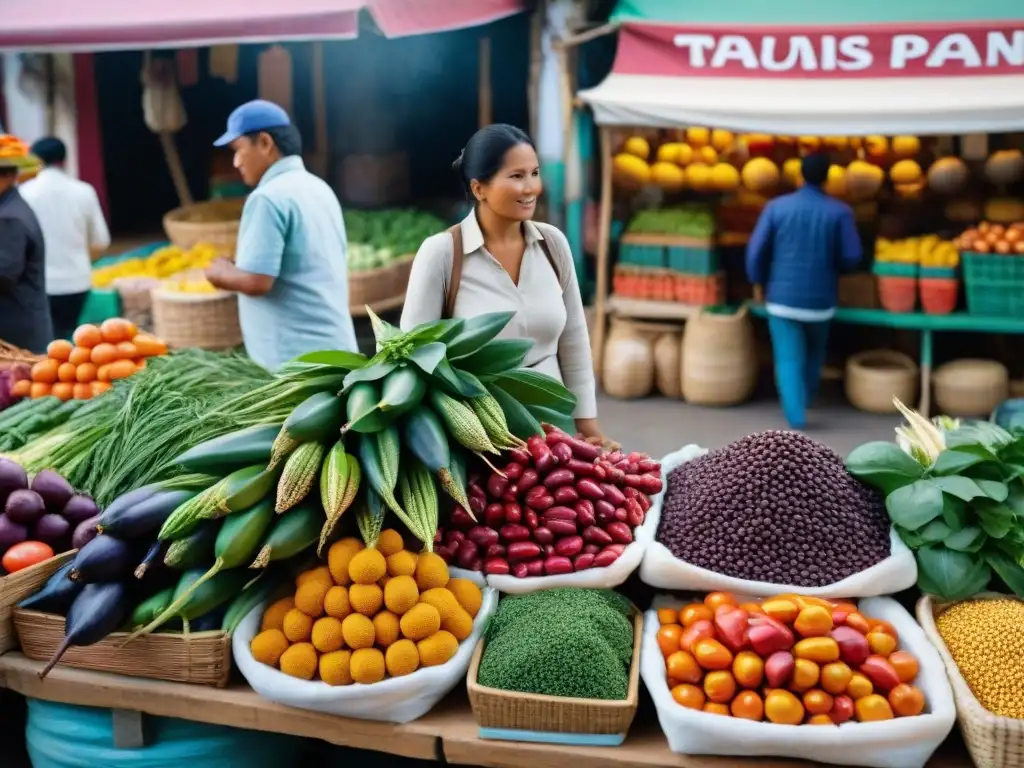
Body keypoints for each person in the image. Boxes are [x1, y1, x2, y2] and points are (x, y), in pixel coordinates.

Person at [401, 124, 607, 445]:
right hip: (479, 438)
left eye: (534, 173)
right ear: (479, 188)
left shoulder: (553, 245)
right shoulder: (442, 253)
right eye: (516, 176)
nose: (531, 188)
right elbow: (415, 357)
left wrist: (588, 428)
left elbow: (574, 342)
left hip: (557, 432)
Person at [205, 100, 357, 370]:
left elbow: (257, 281)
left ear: (265, 143)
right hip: (337, 350)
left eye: (238, 150)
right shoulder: (318, 187)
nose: (236, 162)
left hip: (297, 363)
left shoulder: (267, 197)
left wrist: (219, 272)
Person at [746, 152, 863, 429]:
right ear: (828, 178)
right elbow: (852, 256)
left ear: (800, 175)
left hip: (782, 299)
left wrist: (758, 281)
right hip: (821, 300)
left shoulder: (776, 207)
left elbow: (756, 251)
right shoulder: (840, 212)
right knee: (814, 354)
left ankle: (796, 416)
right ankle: (806, 399)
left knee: (788, 356)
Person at [20, 137, 110, 341]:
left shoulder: (24, 194)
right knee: (68, 341)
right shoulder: (84, 191)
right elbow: (101, 241)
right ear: (65, 159)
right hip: (77, 282)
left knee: (43, 345)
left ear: (35, 161)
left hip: (38, 285)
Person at [0, 145, 51, 352]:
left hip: (16, 332)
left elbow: (3, 276)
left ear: (8, 176)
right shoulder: (10, 207)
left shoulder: (9, 218)